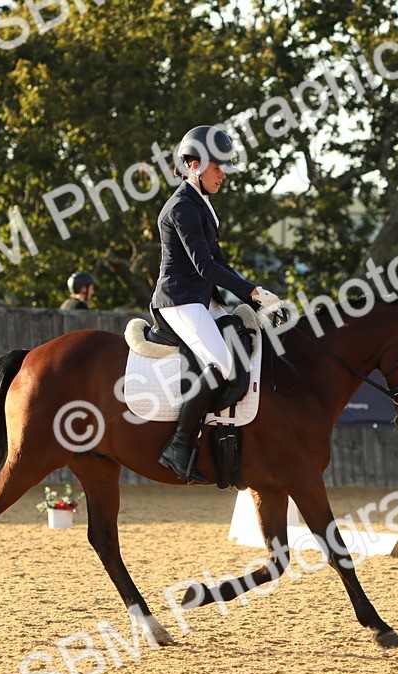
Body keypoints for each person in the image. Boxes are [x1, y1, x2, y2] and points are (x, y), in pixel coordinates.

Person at [151, 124, 284, 483]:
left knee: (244, 345)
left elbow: (220, 263)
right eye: (217, 166)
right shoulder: (181, 206)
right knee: (222, 363)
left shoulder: (204, 205)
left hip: (202, 298)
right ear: (193, 164)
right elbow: (204, 265)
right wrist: (252, 293)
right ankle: (178, 445)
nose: (223, 174)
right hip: (178, 300)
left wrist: (257, 298)